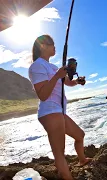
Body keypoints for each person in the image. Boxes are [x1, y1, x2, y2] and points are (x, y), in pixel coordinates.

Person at [28, 35, 91, 180]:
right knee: (59, 153)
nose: (55, 47)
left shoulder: (52, 66)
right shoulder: (37, 66)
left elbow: (67, 82)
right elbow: (43, 95)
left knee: (80, 135)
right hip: (49, 112)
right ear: (43, 46)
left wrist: (77, 81)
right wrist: (56, 76)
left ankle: (82, 160)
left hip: (59, 111)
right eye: (52, 44)